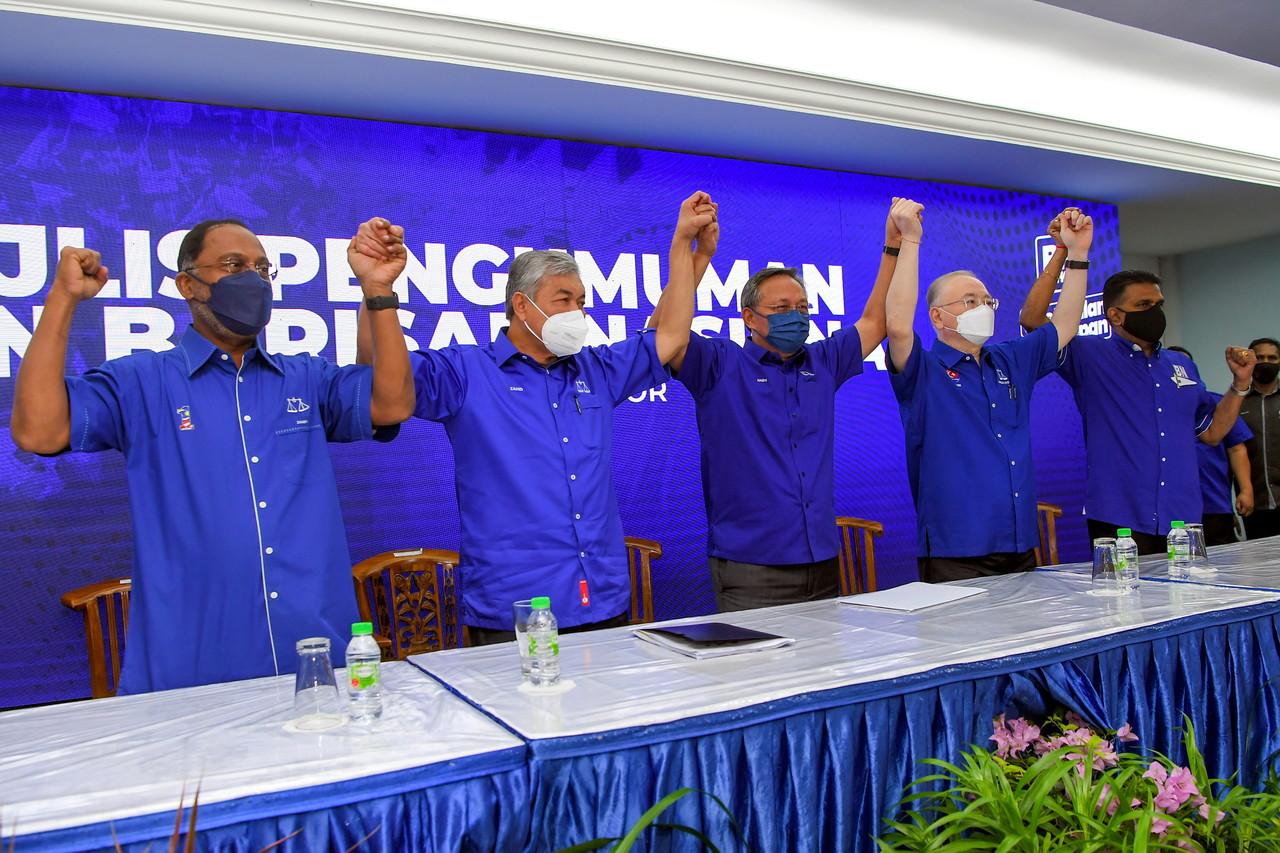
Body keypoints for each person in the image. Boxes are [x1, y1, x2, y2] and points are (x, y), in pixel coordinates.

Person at [10, 218, 415, 693]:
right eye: (233, 265)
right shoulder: (142, 381)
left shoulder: (305, 378)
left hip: (314, 656)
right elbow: (38, 431)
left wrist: (377, 289)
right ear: (188, 285)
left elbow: (391, 403)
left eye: (263, 269)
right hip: (192, 667)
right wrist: (62, 300)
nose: (253, 278)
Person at [356, 193, 712, 643]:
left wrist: (685, 247)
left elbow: (670, 335)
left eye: (581, 300)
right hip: (514, 613)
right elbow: (376, 382)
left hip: (602, 601)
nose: (576, 313)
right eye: (562, 299)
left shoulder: (597, 370)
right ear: (521, 306)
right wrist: (376, 292)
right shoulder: (465, 372)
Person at [651, 197, 920, 612]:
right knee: (760, 676)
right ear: (749, 317)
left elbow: (875, 322)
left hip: (823, 559)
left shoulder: (823, 361)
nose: (795, 317)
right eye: (780, 309)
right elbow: (661, 335)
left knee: (824, 674)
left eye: (802, 308)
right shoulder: (719, 364)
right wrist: (697, 253)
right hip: (751, 568)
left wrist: (893, 246)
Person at [887, 209, 1093, 580]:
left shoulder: (1008, 359)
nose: (982, 307)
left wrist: (1076, 255)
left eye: (986, 301)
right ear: (937, 317)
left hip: (1018, 543)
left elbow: (1063, 326)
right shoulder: (924, 371)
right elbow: (898, 326)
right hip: (956, 550)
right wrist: (911, 241)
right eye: (969, 301)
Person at [1020, 269, 1256, 555]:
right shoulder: (1087, 355)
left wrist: (1240, 384)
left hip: (1182, 518)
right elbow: (1032, 320)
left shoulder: (1181, 365)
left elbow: (1213, 432)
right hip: (1119, 518)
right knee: (1124, 600)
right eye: (1143, 305)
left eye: (1158, 304)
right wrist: (1063, 252)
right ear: (1115, 316)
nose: (1155, 312)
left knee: (1186, 599)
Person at [1166, 346, 1253, 545]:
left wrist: (1246, 490)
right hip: (1171, 507)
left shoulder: (1217, 404)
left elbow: (1236, 447)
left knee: (1220, 567)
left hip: (1213, 503)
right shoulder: (1153, 409)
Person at [1239, 337, 1280, 540]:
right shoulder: (1236, 403)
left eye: (1272, 358)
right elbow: (1231, 452)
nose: (1266, 362)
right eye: (1260, 357)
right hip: (1254, 503)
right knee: (1261, 567)